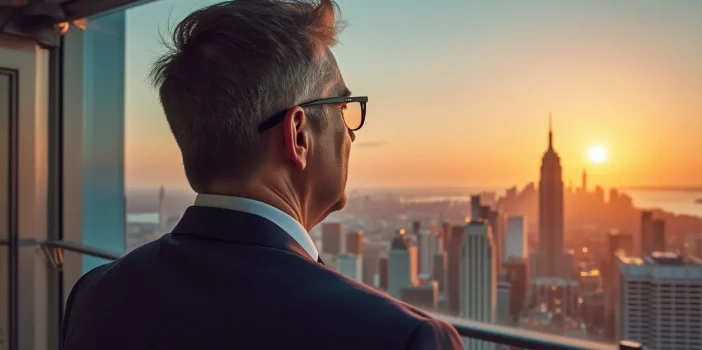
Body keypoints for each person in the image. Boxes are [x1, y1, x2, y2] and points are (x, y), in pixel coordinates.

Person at [60, 1, 464, 349]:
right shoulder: (402, 337)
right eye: (343, 108)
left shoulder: (96, 293)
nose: (350, 133)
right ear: (298, 135)